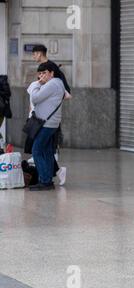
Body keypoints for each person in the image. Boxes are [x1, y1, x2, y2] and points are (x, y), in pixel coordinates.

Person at [29, 62, 65, 191]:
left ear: (52, 73)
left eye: (44, 73)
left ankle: (44, 181)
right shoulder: (58, 83)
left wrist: (37, 84)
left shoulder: (52, 84)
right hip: (51, 123)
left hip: (46, 124)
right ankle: (47, 179)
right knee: (47, 151)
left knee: (36, 150)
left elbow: (35, 98)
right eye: (40, 73)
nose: (41, 76)